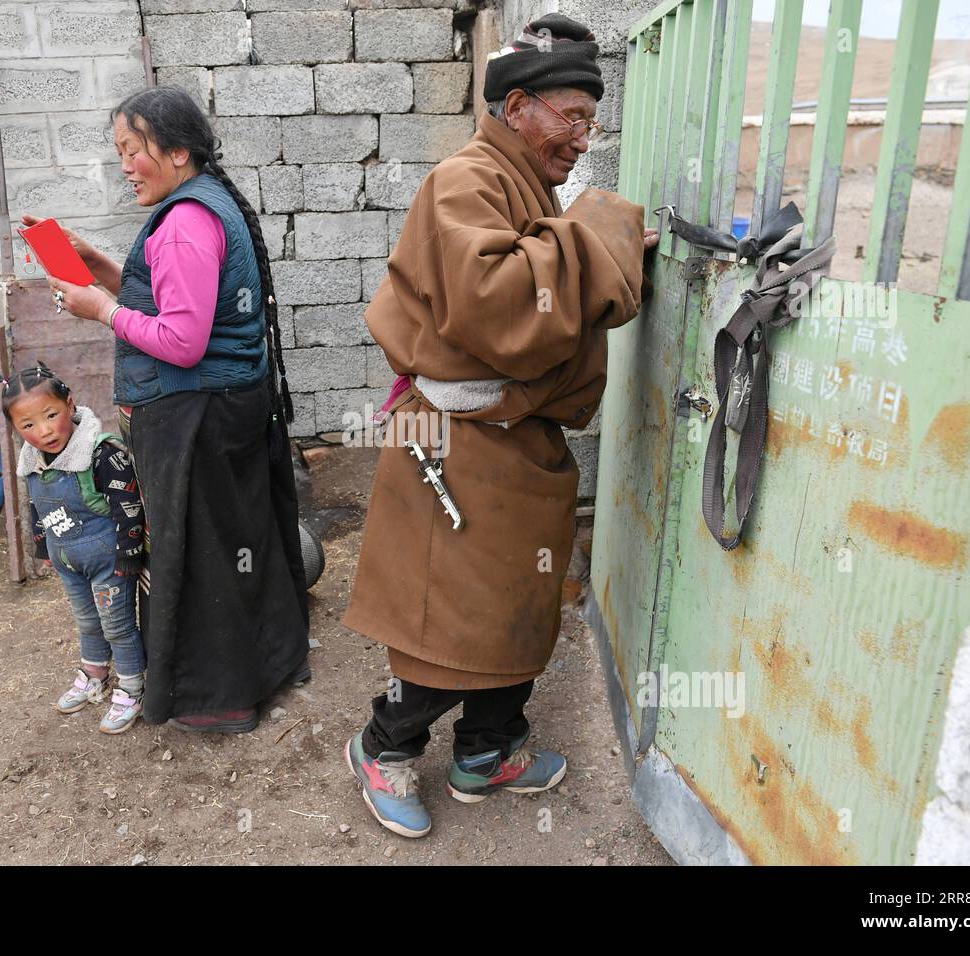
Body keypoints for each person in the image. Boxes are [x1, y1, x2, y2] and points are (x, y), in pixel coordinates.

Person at [341, 13, 657, 837]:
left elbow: (561, 274)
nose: (584, 140)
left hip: (520, 444)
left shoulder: (527, 185)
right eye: (573, 118)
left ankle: (489, 750)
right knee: (449, 629)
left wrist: (610, 250)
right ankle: (384, 746)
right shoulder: (465, 180)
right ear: (517, 107)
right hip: (459, 448)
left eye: (592, 122)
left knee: (520, 612)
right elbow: (497, 305)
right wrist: (597, 234)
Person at [25, 85, 309, 734]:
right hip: (227, 406)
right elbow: (178, 306)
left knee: (203, 552)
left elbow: (181, 341)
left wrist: (101, 311)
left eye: (133, 149)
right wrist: (101, 270)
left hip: (196, 418)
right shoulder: (204, 204)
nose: (124, 164)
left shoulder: (183, 222)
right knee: (239, 540)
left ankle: (220, 698)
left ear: (177, 150)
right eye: (119, 151)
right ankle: (271, 663)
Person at [2, 363, 147, 735]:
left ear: (70, 404)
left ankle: (133, 687)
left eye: (51, 415)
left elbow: (129, 506)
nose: (44, 430)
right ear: (15, 429)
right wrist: (42, 548)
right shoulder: (32, 460)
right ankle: (94, 673)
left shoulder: (100, 454)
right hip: (68, 559)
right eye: (28, 425)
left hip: (108, 563)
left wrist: (129, 554)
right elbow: (38, 506)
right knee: (86, 622)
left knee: (117, 626)